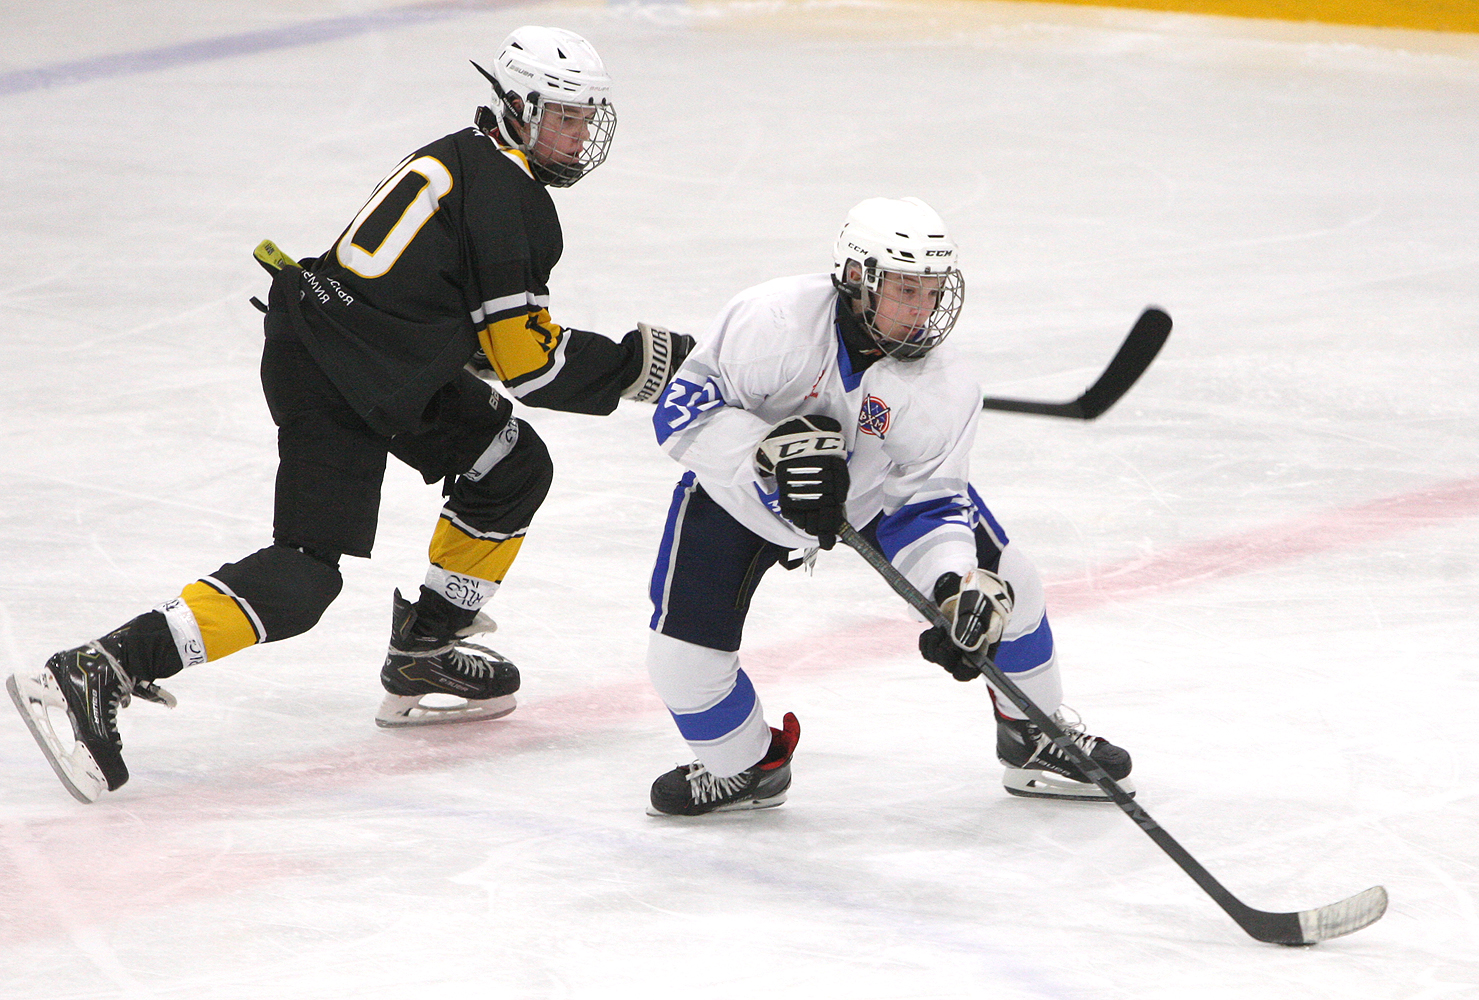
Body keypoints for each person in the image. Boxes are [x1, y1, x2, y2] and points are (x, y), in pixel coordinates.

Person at [8, 26, 692, 804]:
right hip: (336, 372)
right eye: (565, 116)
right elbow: (529, 364)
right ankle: (102, 666)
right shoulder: (512, 200)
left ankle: (426, 648)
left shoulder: (465, 155)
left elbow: (431, 298)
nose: (578, 136)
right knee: (302, 578)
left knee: (509, 463)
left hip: (371, 352)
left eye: (584, 117)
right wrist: (643, 369)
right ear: (519, 105)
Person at [643, 196, 1133, 816]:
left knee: (1008, 586)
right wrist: (765, 456)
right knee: (682, 666)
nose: (923, 310)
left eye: (932, 291)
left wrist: (953, 585)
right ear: (856, 281)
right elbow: (681, 413)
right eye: (905, 289)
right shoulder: (772, 322)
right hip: (740, 500)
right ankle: (746, 768)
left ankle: (1032, 733)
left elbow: (927, 501)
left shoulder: (945, 381)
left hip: (874, 494)